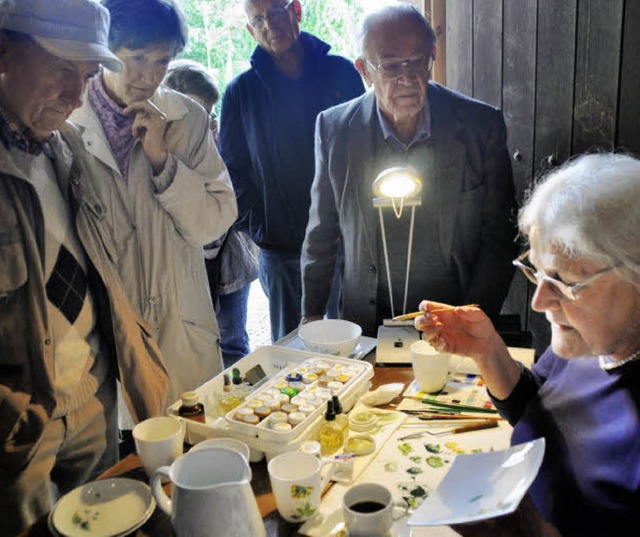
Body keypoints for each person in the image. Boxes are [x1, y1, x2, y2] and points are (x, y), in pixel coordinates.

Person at [0, 0, 169, 533]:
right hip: (20, 423)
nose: (76, 96)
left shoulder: (68, 145)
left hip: (95, 393)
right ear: (5, 51)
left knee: (107, 523)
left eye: (87, 75)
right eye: (59, 72)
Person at [414, 152, 640, 535]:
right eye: (536, 270)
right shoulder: (588, 340)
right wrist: (487, 352)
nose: (540, 302)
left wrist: (532, 531)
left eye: (565, 281)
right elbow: (538, 405)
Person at [300, 3, 518, 337]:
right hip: (366, 321)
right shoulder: (335, 129)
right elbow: (322, 232)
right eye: (389, 65)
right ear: (364, 70)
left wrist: (473, 319)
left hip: (453, 318)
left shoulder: (479, 125)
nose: (407, 77)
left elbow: (499, 236)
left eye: (417, 60)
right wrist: (312, 313)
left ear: (433, 56)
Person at [69, 0, 237, 424]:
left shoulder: (189, 119)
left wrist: (163, 160)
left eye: (161, 61)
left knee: (195, 446)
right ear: (106, 52)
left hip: (182, 324)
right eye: (136, 58)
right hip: (106, 330)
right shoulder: (67, 121)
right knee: (123, 461)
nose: (148, 76)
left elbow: (214, 223)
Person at [219, 0, 365, 342]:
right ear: (250, 30)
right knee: (293, 348)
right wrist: (259, 224)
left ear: (296, 10)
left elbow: (366, 146)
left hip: (347, 238)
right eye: (258, 19)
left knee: (355, 338)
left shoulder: (341, 73)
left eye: (275, 12)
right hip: (281, 245)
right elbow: (231, 168)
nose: (269, 24)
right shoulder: (241, 92)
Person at [164, 59, 259, 367]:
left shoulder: (220, 139)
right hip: (183, 261)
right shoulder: (158, 150)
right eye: (193, 111)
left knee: (232, 339)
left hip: (229, 255)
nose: (202, 122)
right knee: (193, 342)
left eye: (208, 113)